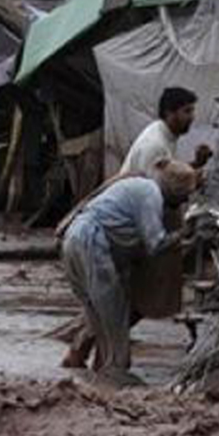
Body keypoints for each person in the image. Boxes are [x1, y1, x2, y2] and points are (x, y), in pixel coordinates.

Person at [59, 86, 212, 369]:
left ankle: (91, 366)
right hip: (115, 236)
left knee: (110, 306)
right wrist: (184, 234)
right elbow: (164, 189)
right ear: (170, 112)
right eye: (187, 111)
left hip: (104, 234)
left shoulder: (163, 140)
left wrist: (194, 167)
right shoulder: (155, 150)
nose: (192, 117)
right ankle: (104, 371)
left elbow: (171, 180)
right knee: (121, 307)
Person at [60, 161, 198, 386]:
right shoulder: (151, 194)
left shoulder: (140, 187)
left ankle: (98, 375)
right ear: (174, 191)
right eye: (184, 197)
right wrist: (185, 233)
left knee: (97, 315)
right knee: (114, 316)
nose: (185, 202)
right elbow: (155, 243)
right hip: (91, 242)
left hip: (74, 239)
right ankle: (116, 374)